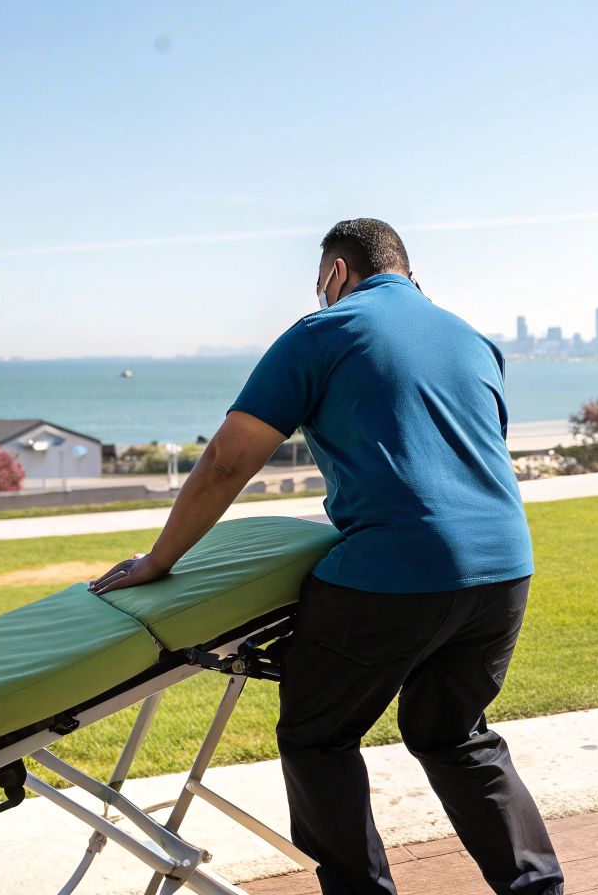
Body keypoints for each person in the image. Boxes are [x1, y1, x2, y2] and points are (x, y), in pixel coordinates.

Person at [90, 218, 563, 895]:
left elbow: (228, 461)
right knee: (453, 734)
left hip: (394, 572)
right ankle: (538, 889)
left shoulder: (324, 332)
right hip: (504, 571)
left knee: (319, 738)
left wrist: (159, 561)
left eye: (322, 285)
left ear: (336, 274)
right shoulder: (475, 341)